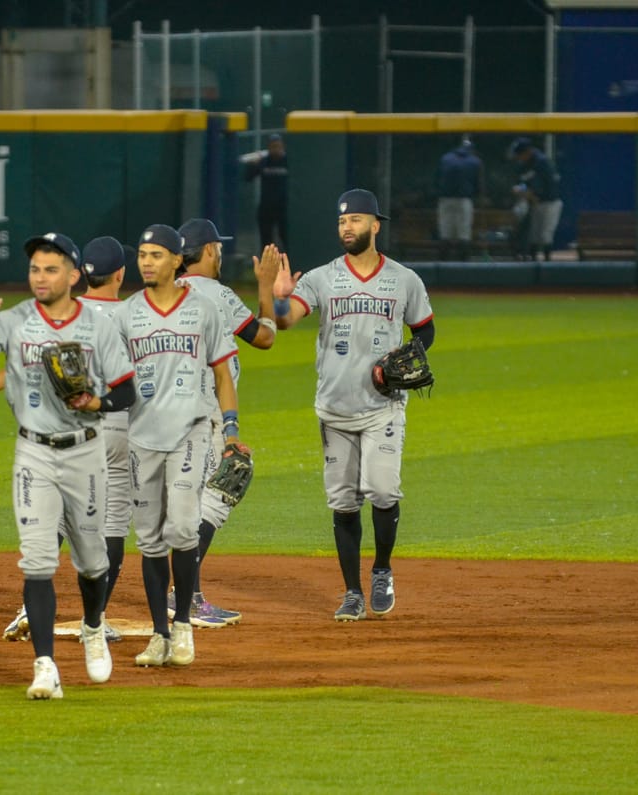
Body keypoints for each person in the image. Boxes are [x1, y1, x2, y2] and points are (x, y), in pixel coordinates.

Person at [0, 232, 136, 699]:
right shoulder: (14, 321)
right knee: (37, 561)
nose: (40, 277)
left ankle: (93, 625)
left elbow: (127, 390)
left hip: (85, 451)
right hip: (33, 452)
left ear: (74, 276)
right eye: (35, 268)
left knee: (93, 562)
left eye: (51, 269)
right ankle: (45, 665)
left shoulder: (97, 325)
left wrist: (97, 401)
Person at [272, 189, 435, 622]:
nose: (347, 227)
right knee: (343, 503)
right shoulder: (322, 278)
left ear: (375, 226)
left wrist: (409, 357)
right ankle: (351, 592)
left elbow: (425, 330)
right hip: (334, 409)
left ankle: (381, 569)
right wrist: (278, 297)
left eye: (357, 220)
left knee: (382, 490)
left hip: (383, 406)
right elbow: (285, 320)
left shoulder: (404, 279)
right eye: (343, 221)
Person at [112, 224, 246, 669]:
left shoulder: (204, 310)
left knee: (184, 528)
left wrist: (230, 432)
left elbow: (224, 375)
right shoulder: (126, 314)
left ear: (176, 261)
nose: (146, 262)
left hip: (190, 432)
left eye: (155, 255)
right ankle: (159, 634)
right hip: (141, 438)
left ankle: (184, 625)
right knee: (150, 539)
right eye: (142, 255)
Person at [174, 218, 280, 627]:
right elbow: (265, 336)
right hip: (208, 414)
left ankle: (179, 592)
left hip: (164, 414)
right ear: (208, 251)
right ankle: (186, 595)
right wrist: (266, 287)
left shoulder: (162, 294)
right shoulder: (217, 293)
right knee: (223, 487)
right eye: (217, 248)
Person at [508, 137, 563, 261]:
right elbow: (522, 182)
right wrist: (520, 189)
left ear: (527, 151)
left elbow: (546, 187)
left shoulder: (542, 162)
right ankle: (533, 263)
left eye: (520, 154)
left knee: (545, 235)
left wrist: (528, 193)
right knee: (534, 235)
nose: (518, 157)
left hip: (549, 202)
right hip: (534, 203)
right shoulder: (524, 164)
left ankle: (547, 264)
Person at [435, 136, 483, 261]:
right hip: (464, 200)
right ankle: (464, 263)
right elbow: (478, 183)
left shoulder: (445, 158)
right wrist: (478, 196)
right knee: (464, 232)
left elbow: (437, 179)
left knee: (445, 231)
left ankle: (443, 262)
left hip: (445, 199)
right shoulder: (474, 161)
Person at [245, 133, 289, 249]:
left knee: (286, 237)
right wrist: (253, 165)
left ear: (282, 147)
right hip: (267, 206)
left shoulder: (288, 161)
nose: (275, 149)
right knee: (266, 240)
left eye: (278, 146)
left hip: (284, 207)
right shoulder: (264, 162)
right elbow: (248, 177)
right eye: (273, 146)